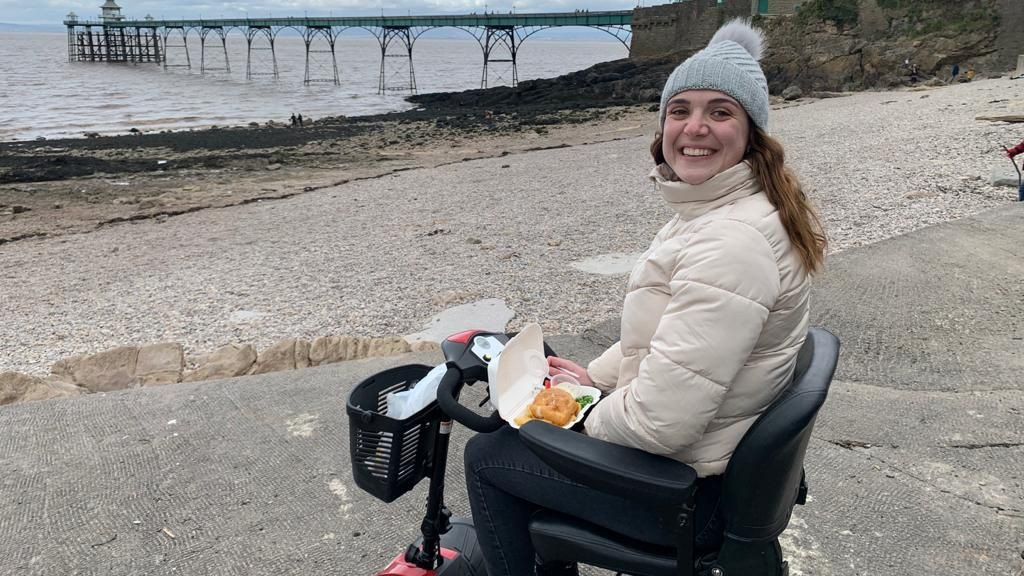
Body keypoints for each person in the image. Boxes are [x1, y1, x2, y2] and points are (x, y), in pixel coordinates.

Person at [463, 18, 828, 576]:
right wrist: (593, 377)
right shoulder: (720, 211)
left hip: (685, 496)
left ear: (753, 133)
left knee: (490, 455)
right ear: (662, 126)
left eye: (720, 112)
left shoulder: (731, 243)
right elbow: (663, 339)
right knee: (528, 444)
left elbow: (663, 423)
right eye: (680, 110)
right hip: (709, 466)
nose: (695, 127)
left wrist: (579, 416)